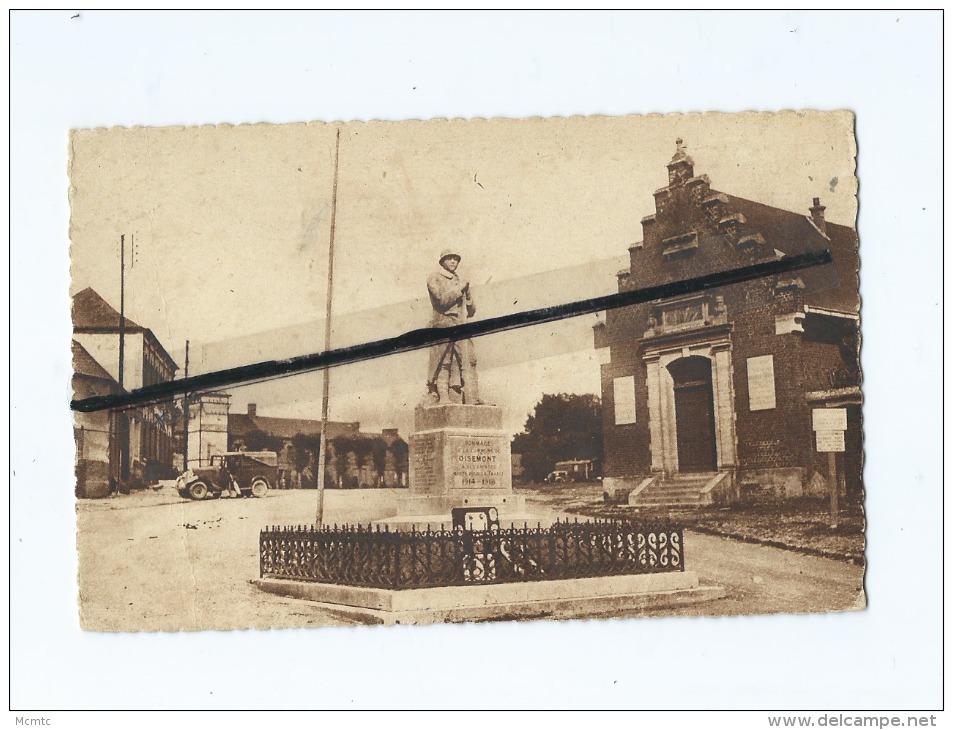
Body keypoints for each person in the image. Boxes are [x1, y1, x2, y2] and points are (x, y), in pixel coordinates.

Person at [426, 249, 483, 404]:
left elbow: (471, 311)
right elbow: (441, 301)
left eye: (456, 259)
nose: (453, 262)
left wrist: (469, 296)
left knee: (468, 360)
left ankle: (472, 396)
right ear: (442, 261)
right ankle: (443, 396)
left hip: (460, 325)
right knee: (444, 361)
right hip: (443, 324)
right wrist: (459, 290)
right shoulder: (434, 278)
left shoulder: (460, 280)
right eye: (449, 258)